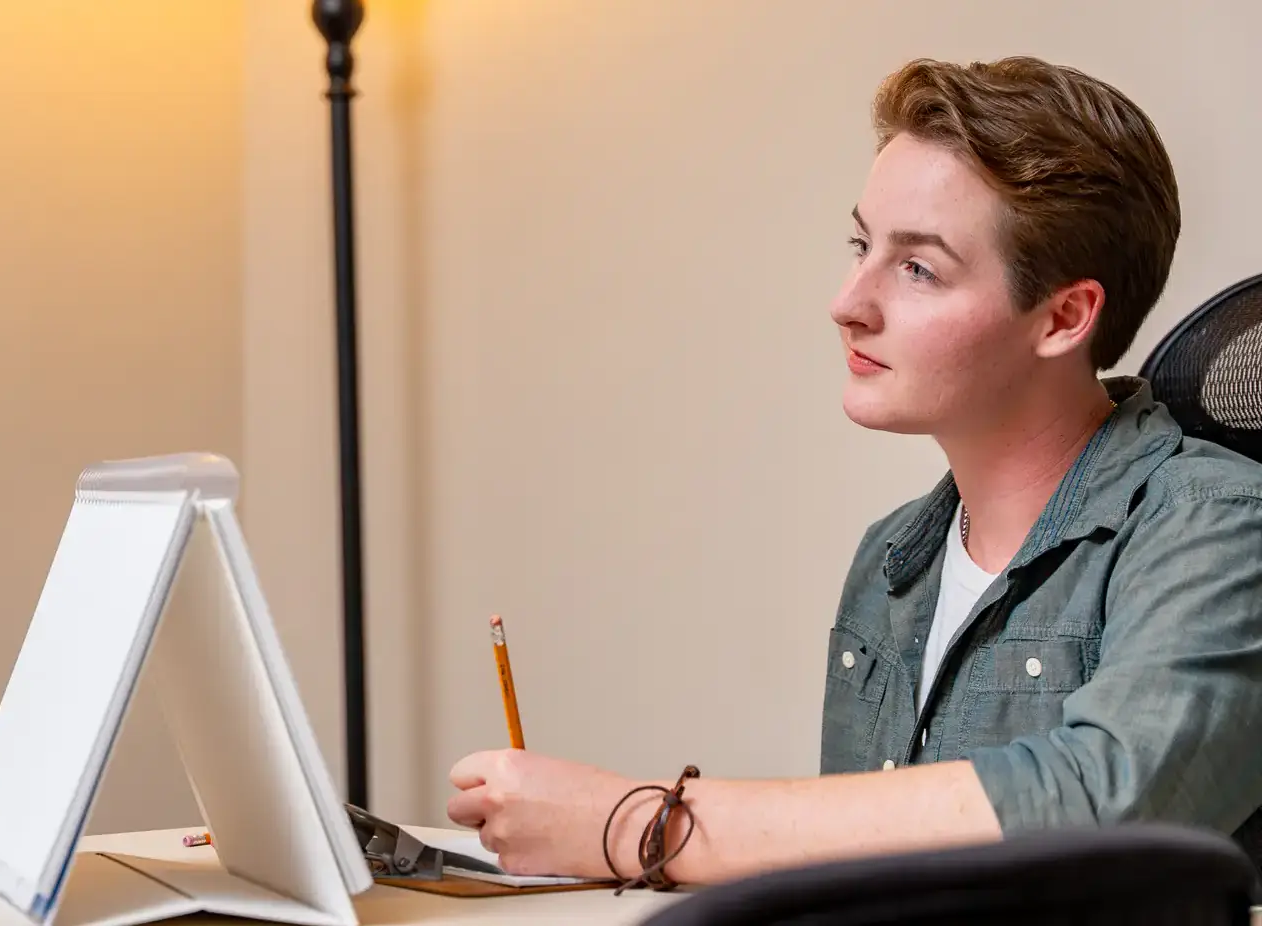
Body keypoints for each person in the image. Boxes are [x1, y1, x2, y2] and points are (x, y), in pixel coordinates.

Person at [447, 55, 1262, 887]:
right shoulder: (893, 559)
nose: (848, 303)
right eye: (861, 245)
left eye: (918, 268)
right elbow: (864, 882)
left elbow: (1104, 809)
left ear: (1063, 317)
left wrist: (640, 825)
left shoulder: (1219, 528)